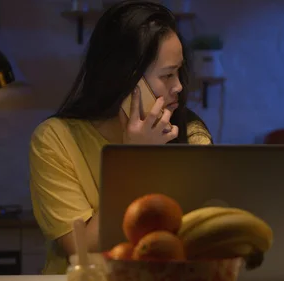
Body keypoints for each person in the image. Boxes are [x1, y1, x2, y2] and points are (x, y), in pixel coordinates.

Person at [28, 1, 213, 274]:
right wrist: (134, 161)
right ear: (127, 81)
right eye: (167, 75)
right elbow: (85, 250)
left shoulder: (191, 133)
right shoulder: (54, 140)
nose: (179, 86)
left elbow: (203, 238)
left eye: (179, 71)